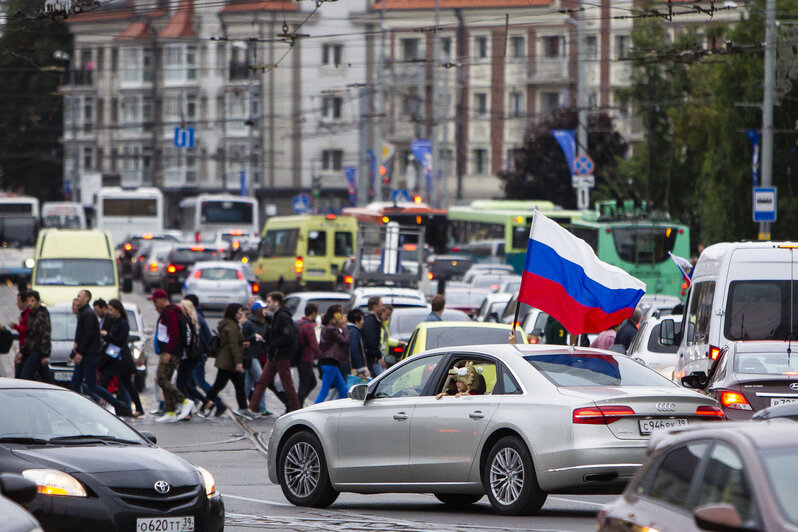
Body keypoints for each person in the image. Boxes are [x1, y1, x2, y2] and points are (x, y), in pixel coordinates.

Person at [70, 290, 130, 416]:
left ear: (86, 298)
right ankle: (75, 409)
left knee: (91, 385)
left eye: (80, 296)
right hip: (86, 354)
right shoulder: (85, 314)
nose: (77, 298)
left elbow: (87, 335)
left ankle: (117, 404)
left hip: (89, 355)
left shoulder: (88, 314)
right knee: (76, 383)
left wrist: (80, 352)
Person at [247, 292, 301, 415]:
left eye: (269, 302)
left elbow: (287, 335)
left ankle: (297, 410)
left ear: (276, 302)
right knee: (262, 381)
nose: (267, 304)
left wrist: (273, 344)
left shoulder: (283, 316)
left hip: (281, 355)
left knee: (287, 384)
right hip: (274, 355)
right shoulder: (277, 315)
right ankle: (252, 408)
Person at [150, 289, 193, 423]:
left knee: (161, 379)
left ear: (163, 299)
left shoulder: (170, 313)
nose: (155, 305)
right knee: (166, 380)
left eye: (156, 302)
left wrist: (168, 352)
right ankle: (170, 411)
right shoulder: (167, 312)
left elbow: (174, 334)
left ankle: (184, 401)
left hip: (171, 353)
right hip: (169, 352)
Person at [202, 303, 250, 419]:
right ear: (234, 313)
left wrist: (241, 343)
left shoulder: (230, 324)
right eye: (239, 312)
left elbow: (232, 343)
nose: (241, 314)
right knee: (220, 385)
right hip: (229, 361)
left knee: (236, 384)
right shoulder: (232, 326)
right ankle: (205, 405)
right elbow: (232, 345)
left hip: (227, 360)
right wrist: (238, 362)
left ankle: (243, 408)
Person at [99, 299, 143, 416]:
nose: (109, 312)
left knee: (127, 384)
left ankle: (137, 407)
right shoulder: (114, 322)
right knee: (104, 381)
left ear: (117, 310)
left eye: (111, 310)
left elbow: (120, 341)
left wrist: (107, 336)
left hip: (121, 359)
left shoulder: (123, 323)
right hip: (113, 358)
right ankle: (107, 406)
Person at [185, 294, 224, 413]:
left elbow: (203, 338)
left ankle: (217, 402)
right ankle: (192, 404)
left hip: (197, 355)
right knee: (191, 382)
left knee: (199, 381)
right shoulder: (197, 315)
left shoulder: (196, 318)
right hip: (198, 354)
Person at [176, 299, 208, 413]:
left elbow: (186, 340)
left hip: (188, 356)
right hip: (192, 356)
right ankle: (204, 401)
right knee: (186, 383)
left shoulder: (187, 321)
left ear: (185, 310)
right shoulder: (192, 320)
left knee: (182, 383)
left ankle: (189, 408)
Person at [315, 305, 350, 403]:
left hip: (332, 363)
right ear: (336, 315)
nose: (343, 316)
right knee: (324, 392)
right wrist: (344, 327)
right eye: (341, 313)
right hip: (329, 363)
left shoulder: (329, 327)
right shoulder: (331, 329)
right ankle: (314, 410)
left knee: (343, 391)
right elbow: (345, 341)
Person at [241, 300, 269, 415]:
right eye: (263, 309)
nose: (266, 311)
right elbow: (243, 339)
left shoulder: (264, 323)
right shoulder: (248, 323)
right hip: (250, 355)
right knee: (261, 380)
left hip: (258, 354)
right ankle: (262, 408)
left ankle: (242, 405)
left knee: (248, 382)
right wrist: (253, 337)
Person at [20, 291, 51, 382]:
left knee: (25, 376)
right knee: (45, 378)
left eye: (32, 301)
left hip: (39, 350)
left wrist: (45, 354)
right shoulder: (31, 314)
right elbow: (30, 335)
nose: (29, 303)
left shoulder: (41, 314)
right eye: (28, 301)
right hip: (32, 349)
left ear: (37, 301)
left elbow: (45, 334)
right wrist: (23, 350)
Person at [296, 303, 320, 407]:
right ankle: (297, 406)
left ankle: (297, 403)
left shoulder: (299, 323)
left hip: (299, 357)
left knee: (312, 382)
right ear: (314, 312)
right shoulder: (308, 326)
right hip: (306, 358)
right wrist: (321, 356)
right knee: (304, 385)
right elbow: (313, 344)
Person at [361, 296, 385, 377]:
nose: (383, 307)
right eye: (381, 305)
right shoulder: (370, 321)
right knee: (379, 382)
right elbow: (371, 341)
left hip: (373, 359)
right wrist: (378, 356)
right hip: (372, 360)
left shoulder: (373, 320)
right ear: (375, 306)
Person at [345, 308, 369, 376]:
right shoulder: (354, 332)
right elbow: (354, 349)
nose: (363, 322)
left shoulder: (347, 330)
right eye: (362, 319)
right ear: (356, 321)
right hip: (353, 367)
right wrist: (360, 367)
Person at [12, 291, 30, 378]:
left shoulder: (28, 314)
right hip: (24, 349)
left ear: (24, 302)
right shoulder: (23, 314)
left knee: (22, 375)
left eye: (19, 301)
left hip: (27, 350)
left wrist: (16, 327)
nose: (17, 304)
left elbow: (27, 331)